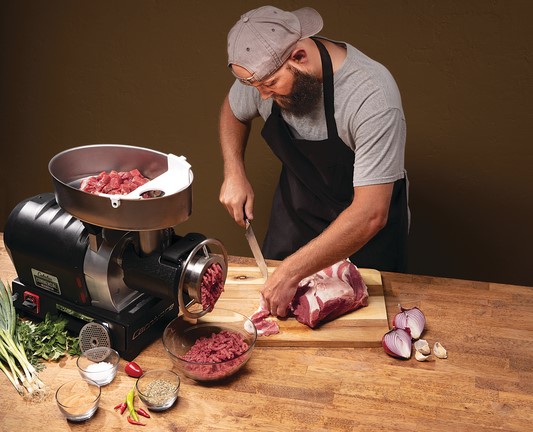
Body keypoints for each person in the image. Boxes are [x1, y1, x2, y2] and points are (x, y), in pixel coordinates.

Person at [219, 5, 409, 317]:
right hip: (296, 220)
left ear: (299, 56)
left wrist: (291, 271)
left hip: (364, 238)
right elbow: (232, 110)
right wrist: (234, 170)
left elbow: (371, 213)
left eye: (270, 85)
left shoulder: (371, 96)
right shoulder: (264, 77)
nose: (262, 96)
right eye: (255, 87)